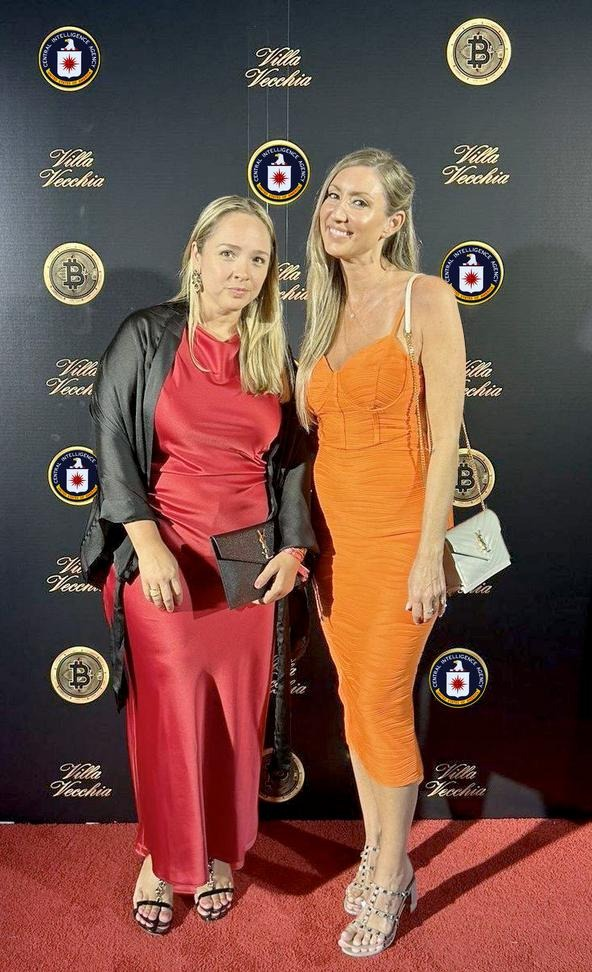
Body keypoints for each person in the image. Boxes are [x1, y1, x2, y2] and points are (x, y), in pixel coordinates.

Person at [80, 195, 317, 935]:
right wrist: (147, 545)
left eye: (258, 259)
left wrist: (293, 547)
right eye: (228, 253)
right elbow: (111, 440)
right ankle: (162, 857)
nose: (242, 271)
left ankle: (215, 850)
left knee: (233, 717)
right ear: (196, 256)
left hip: (247, 559)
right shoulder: (147, 335)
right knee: (171, 714)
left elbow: (292, 464)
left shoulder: (272, 352)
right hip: (164, 548)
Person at [295, 148, 465, 957]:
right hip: (334, 547)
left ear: (394, 221)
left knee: (385, 703)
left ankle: (394, 873)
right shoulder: (321, 306)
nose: (339, 211)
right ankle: (376, 846)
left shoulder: (424, 297)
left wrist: (430, 553)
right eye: (334, 196)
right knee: (356, 704)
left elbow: (447, 440)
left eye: (360, 202)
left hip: (401, 540)